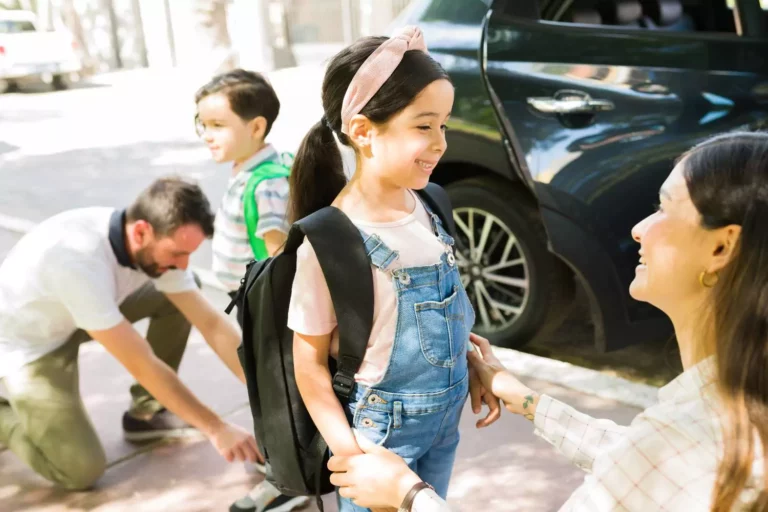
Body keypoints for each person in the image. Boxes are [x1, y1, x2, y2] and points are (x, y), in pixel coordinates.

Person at [327, 131, 768, 511]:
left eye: (664, 209)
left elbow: (650, 458)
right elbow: (638, 461)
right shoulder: (727, 403)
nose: (640, 228)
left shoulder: (693, 428)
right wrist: (529, 402)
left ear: (721, 248)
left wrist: (408, 494)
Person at [287, 26, 498, 512]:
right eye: (424, 126)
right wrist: (351, 456)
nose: (441, 142)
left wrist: (471, 363)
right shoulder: (331, 241)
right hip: (379, 439)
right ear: (363, 131)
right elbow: (309, 367)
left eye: (443, 124)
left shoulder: (432, 203)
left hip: (446, 422)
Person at [0, 177, 260, 490]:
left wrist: (266, 393)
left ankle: (145, 415)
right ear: (140, 232)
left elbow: (212, 323)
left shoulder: (147, 242)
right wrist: (215, 428)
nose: (184, 264)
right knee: (80, 470)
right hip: (28, 345)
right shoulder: (78, 261)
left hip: (79, 314)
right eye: (178, 253)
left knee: (182, 298)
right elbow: (142, 363)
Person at [195, 71, 308, 512]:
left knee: (277, 397)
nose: (207, 135)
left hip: (270, 313)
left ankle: (289, 482)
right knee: (273, 394)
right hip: (255, 308)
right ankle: (288, 463)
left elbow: (281, 250)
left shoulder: (266, 182)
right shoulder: (252, 172)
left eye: (218, 125)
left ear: (256, 127)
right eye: (202, 124)